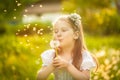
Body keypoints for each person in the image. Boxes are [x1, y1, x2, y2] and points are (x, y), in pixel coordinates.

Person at [37, 13, 98, 80]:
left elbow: (85, 78)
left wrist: (68, 66)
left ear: (75, 35)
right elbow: (39, 77)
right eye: (56, 31)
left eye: (64, 30)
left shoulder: (83, 56)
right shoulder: (52, 55)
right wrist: (52, 66)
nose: (58, 34)